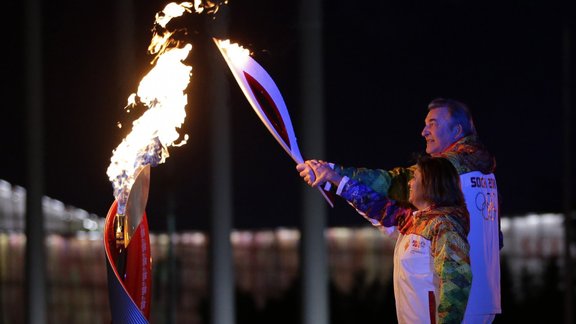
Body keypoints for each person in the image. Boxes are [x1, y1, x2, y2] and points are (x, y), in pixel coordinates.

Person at [297, 98, 501, 323]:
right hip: (478, 298)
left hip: (456, 305)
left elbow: (392, 183)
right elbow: (381, 208)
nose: (424, 131)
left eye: (433, 123)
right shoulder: (482, 176)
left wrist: (335, 170)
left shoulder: (451, 175)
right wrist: (334, 179)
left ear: (457, 130)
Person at [306, 156, 473, 323]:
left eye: (415, 177)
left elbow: (457, 283)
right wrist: (334, 177)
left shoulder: (444, 227)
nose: (409, 183)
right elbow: (374, 204)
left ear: (431, 183)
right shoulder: (412, 220)